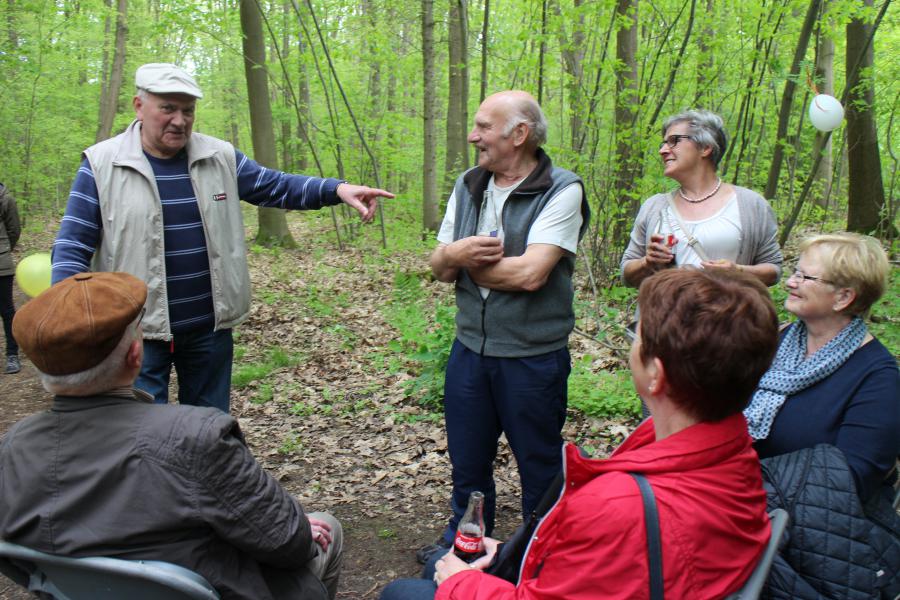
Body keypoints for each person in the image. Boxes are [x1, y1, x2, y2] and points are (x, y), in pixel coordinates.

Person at [382, 268, 776, 599]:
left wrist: (461, 585)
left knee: (405, 590)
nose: (632, 341)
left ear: (656, 375)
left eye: (638, 333)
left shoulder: (620, 504)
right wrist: (521, 552)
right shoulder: (733, 451)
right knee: (441, 562)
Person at [51, 63, 394, 412]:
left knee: (207, 432)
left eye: (188, 111)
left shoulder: (219, 157)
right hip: (134, 333)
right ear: (139, 106)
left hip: (209, 330)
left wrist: (336, 189)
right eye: (167, 108)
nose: (180, 120)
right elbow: (72, 246)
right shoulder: (101, 164)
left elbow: (274, 186)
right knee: (136, 436)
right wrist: (67, 317)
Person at [0, 272, 343, 600]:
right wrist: (295, 526)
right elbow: (287, 543)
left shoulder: (13, 448)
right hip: (221, 589)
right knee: (328, 528)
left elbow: (17, 559)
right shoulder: (197, 436)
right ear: (136, 355)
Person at [420, 90, 590, 563]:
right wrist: (453, 254)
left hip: (533, 356)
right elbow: (438, 262)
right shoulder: (469, 184)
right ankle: (466, 542)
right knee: (468, 461)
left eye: (483, 127)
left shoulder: (563, 188)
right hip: (470, 350)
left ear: (519, 134)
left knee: (538, 463)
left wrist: (460, 264)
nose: (473, 136)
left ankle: (546, 553)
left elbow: (532, 274)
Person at [745, 232, 899, 503]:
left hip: (807, 526)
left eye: (805, 277)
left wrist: (745, 486)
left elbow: (850, 479)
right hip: (735, 497)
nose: (791, 282)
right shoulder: (772, 341)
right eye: (795, 272)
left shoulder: (878, 379)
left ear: (843, 297)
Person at [620, 109, 782, 288]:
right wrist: (646, 262)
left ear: (705, 147)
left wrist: (737, 272)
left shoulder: (751, 205)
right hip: (662, 315)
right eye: (664, 143)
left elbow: (774, 270)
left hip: (728, 314)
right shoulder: (654, 207)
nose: (662, 150)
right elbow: (627, 275)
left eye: (674, 141)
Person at [0, 182, 20, 374]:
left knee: (6, 310)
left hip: (2, 265)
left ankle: (12, 354)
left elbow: (14, 230)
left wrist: (4, 251)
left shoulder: (6, 199)